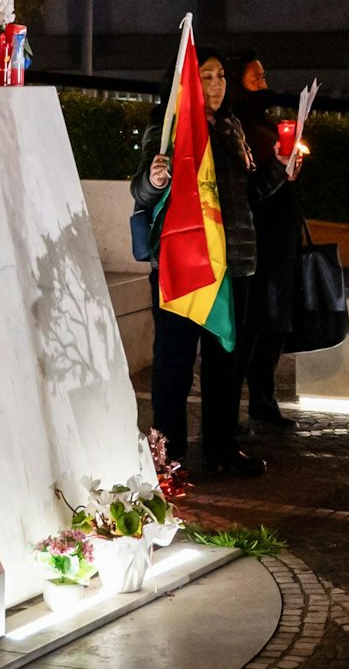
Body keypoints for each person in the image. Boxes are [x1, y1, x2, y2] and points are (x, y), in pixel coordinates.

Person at [132, 50, 277, 477]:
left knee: (226, 360)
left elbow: (248, 194)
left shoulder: (231, 126)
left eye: (220, 77)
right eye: (206, 76)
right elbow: (142, 190)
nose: (216, 85)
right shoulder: (168, 127)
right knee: (174, 361)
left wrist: (281, 169)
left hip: (233, 262)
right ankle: (167, 454)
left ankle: (222, 447)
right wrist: (155, 180)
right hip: (184, 262)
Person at [226, 53, 305, 432]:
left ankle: (263, 398)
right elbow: (250, 189)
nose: (263, 83)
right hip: (256, 237)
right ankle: (232, 406)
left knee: (274, 321)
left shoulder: (265, 122)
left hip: (281, 235)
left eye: (263, 76)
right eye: (255, 78)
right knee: (253, 322)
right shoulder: (237, 126)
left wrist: (291, 165)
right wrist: (279, 168)